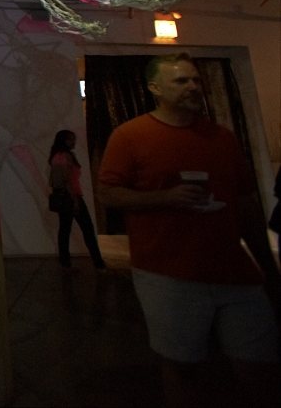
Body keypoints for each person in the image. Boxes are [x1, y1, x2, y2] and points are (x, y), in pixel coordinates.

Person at [97, 52, 281, 407]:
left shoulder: (222, 138)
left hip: (234, 271)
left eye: (196, 80)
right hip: (168, 273)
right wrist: (164, 197)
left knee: (260, 364)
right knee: (182, 366)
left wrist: (267, 268)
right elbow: (108, 192)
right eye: (181, 81)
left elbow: (245, 203)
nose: (194, 87)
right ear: (155, 88)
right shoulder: (130, 136)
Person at [48, 129, 106, 270]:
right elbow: (67, 180)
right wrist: (74, 200)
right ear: (64, 141)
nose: (73, 141)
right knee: (86, 229)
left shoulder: (58, 156)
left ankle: (65, 263)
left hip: (67, 197)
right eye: (70, 139)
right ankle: (98, 263)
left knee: (65, 230)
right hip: (72, 197)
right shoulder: (64, 157)